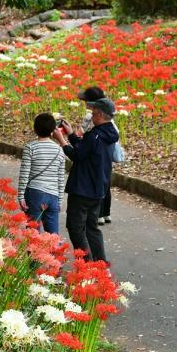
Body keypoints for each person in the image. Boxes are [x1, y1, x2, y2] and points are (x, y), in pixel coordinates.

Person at [53, 98, 119, 262]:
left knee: (75, 227)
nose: (91, 116)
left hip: (83, 188)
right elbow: (85, 148)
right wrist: (70, 135)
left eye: (93, 112)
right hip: (98, 189)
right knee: (91, 227)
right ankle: (100, 265)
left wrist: (61, 140)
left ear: (100, 114)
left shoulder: (96, 135)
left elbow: (78, 155)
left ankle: (87, 265)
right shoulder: (107, 134)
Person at [17, 113, 65, 234]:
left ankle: (33, 254)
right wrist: (60, 200)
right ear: (53, 131)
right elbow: (60, 178)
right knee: (53, 236)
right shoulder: (59, 150)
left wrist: (21, 196)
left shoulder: (30, 147)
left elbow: (24, 173)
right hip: (53, 196)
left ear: (35, 129)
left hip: (35, 193)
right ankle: (55, 253)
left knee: (33, 234)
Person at [78, 86, 115, 225]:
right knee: (106, 182)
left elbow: (83, 132)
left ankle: (99, 214)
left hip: (97, 151)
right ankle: (106, 213)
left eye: (85, 100)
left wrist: (75, 137)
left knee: (98, 181)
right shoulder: (108, 112)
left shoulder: (93, 115)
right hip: (108, 152)